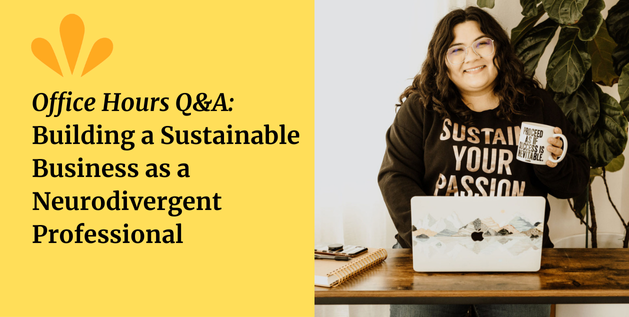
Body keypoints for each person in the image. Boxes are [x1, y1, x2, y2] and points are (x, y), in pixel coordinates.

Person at [377, 6, 589, 317]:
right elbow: (394, 177)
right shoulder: (421, 107)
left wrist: (553, 162)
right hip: (432, 255)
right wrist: (431, 242)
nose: (472, 57)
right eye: (456, 49)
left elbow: (575, 182)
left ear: (498, 49)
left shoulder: (535, 106)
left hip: (519, 256)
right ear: (443, 62)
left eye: (482, 43)